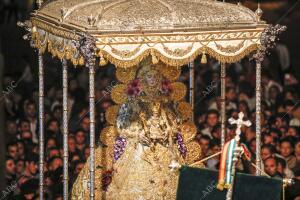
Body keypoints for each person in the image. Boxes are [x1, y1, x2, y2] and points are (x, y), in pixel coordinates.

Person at [71, 59, 202, 199]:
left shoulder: (166, 101)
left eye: (156, 76)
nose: (153, 80)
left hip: (164, 146)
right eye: (149, 76)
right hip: (140, 147)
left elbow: (174, 122)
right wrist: (140, 134)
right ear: (142, 78)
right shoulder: (133, 101)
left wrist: (167, 132)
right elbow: (122, 125)